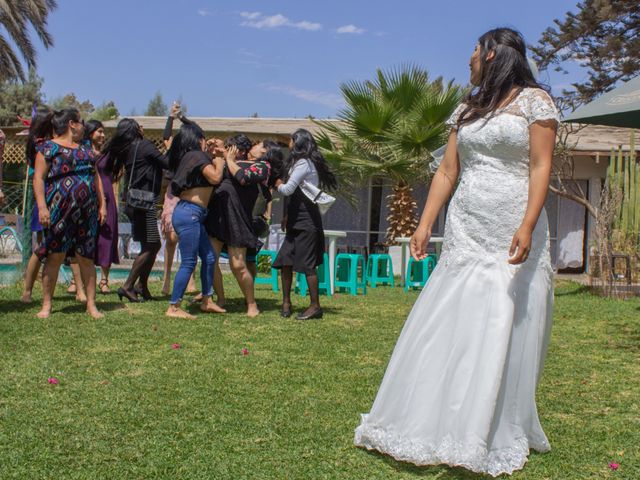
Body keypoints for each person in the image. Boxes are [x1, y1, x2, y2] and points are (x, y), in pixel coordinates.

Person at [354, 28, 559, 477]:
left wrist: (527, 223)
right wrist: (425, 222)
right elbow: (448, 171)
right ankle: (436, 415)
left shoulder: (535, 103)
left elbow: (541, 164)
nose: (468, 58)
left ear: (492, 53)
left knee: (500, 315)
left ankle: (486, 425)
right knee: (454, 312)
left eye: (474, 49)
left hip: (513, 226)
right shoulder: (468, 108)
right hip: (467, 226)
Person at [32, 108, 107, 319]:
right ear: (72, 124)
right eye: (81, 122)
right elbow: (38, 178)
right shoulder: (48, 148)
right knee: (55, 256)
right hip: (59, 210)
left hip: (87, 211)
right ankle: (46, 305)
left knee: (86, 257)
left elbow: (96, 177)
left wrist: (103, 205)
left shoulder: (86, 150)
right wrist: (41, 207)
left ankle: (91, 305)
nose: (84, 126)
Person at [273, 129, 337, 320]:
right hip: (295, 220)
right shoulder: (299, 162)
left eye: (292, 139)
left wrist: (277, 184)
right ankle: (286, 302)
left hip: (307, 221)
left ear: (298, 142)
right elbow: (295, 195)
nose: (289, 142)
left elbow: (288, 189)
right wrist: (286, 216)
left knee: (308, 265)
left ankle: (315, 306)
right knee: (285, 261)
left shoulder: (303, 163)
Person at [103, 118, 169, 302]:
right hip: (144, 203)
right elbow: (167, 162)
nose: (143, 128)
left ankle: (141, 286)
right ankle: (128, 285)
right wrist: (170, 146)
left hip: (134, 203)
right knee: (152, 244)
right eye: (140, 126)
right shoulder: (144, 145)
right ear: (134, 130)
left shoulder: (129, 149)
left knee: (149, 245)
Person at [166, 123, 226, 318]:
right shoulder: (196, 156)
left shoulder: (192, 157)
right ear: (198, 139)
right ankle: (173, 307)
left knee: (209, 258)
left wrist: (211, 153)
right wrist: (220, 158)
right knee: (189, 262)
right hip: (189, 213)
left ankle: (207, 301)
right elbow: (216, 177)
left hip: (193, 214)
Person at [206, 135, 270, 317]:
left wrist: (227, 158)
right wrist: (212, 150)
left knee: (238, 265)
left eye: (232, 148)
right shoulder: (222, 164)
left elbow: (242, 177)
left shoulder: (259, 167)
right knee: (211, 261)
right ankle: (220, 299)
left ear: (241, 151)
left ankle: (251, 304)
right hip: (217, 218)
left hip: (238, 220)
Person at [160, 103, 196, 296]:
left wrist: (181, 117)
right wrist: (171, 117)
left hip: (188, 196)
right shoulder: (172, 153)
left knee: (187, 238)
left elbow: (197, 129)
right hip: (173, 196)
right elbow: (166, 136)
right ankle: (166, 279)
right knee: (171, 239)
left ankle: (191, 279)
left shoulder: (192, 156)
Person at [85, 120, 119, 294]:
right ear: (90, 132)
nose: (102, 135)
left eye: (103, 132)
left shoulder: (109, 154)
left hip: (108, 197)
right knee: (87, 238)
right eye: (99, 131)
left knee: (107, 236)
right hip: (88, 196)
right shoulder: (82, 152)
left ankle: (104, 280)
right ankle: (83, 281)